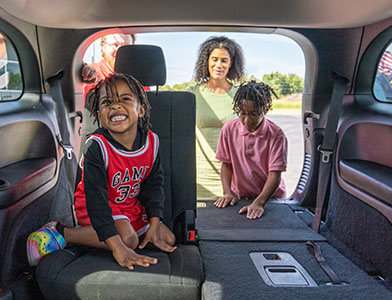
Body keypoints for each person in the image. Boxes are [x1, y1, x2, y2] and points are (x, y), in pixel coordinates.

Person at [27, 73, 176, 270]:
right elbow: (96, 199)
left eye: (124, 99)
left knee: (168, 237)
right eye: (107, 102)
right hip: (94, 204)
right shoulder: (97, 147)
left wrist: (155, 223)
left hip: (127, 205)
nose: (115, 106)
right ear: (99, 114)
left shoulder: (152, 142)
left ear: (141, 109)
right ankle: (62, 232)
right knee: (128, 240)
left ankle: (119, 232)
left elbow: (154, 185)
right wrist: (118, 248)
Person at [214, 80, 288, 220]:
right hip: (241, 197)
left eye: (253, 114)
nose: (247, 120)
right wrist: (228, 192)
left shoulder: (276, 135)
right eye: (242, 114)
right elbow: (226, 164)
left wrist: (260, 202)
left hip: (270, 199)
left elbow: (275, 174)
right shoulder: (228, 130)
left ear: (266, 109)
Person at [187, 36, 245, 201]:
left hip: (232, 179)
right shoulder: (192, 94)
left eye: (224, 60)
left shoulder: (240, 96)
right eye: (214, 59)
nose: (218, 65)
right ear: (207, 61)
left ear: (231, 63)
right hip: (198, 177)